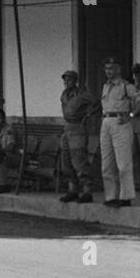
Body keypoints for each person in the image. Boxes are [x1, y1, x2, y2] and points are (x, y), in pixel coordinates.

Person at [98, 57, 140, 207]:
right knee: (106, 164)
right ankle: (110, 196)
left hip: (120, 122)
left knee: (123, 163)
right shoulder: (105, 86)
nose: (108, 71)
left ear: (118, 69)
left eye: (111, 68)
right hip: (106, 121)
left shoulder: (125, 86)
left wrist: (131, 114)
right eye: (106, 68)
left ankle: (126, 196)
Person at [58, 69, 99, 204]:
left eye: (69, 79)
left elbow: (97, 104)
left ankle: (87, 191)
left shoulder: (82, 93)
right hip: (67, 128)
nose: (66, 82)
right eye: (65, 79)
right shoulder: (64, 94)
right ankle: (72, 190)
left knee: (79, 161)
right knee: (66, 161)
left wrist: (88, 114)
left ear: (75, 80)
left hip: (78, 128)